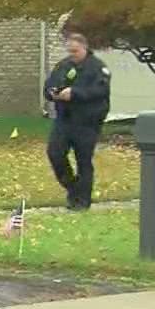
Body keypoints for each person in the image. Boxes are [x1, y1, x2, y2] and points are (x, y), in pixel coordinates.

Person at [44, 30, 111, 211]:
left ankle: (82, 201)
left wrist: (74, 94)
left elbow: (100, 91)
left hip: (87, 122)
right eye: (70, 51)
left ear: (84, 48)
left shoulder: (97, 68)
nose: (72, 55)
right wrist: (53, 92)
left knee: (83, 161)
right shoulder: (63, 66)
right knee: (55, 153)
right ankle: (73, 188)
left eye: (75, 51)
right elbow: (49, 85)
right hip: (64, 120)